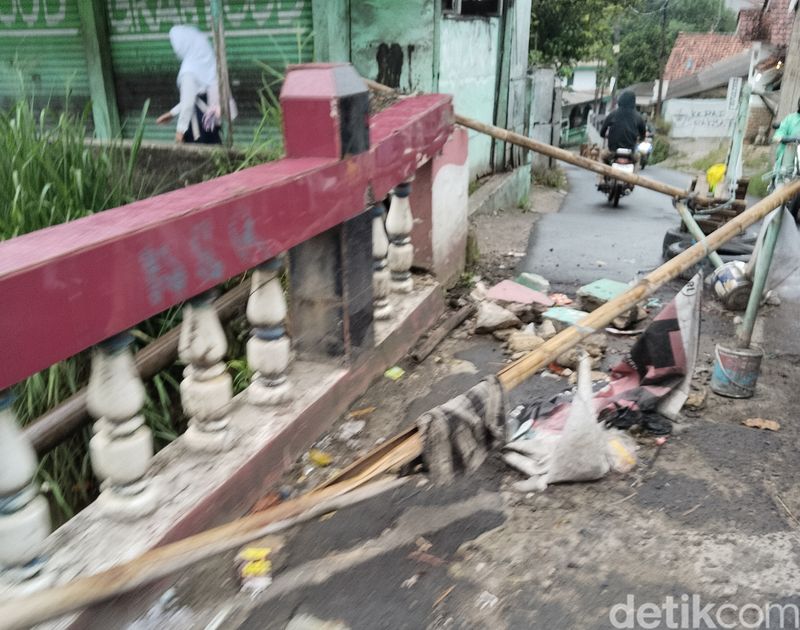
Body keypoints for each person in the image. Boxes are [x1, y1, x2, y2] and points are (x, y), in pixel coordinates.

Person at [157, 25, 223, 144]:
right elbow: (195, 98)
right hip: (210, 119)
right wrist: (172, 113)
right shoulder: (206, 66)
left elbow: (188, 103)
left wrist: (180, 131)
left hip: (197, 124)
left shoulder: (188, 71)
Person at [599, 91, 646, 163]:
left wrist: (607, 136)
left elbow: (602, 132)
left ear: (620, 100)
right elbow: (643, 134)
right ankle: (634, 171)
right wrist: (640, 139)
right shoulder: (638, 117)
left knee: (602, 156)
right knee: (638, 158)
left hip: (613, 151)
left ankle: (602, 171)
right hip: (630, 153)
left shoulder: (612, 114)